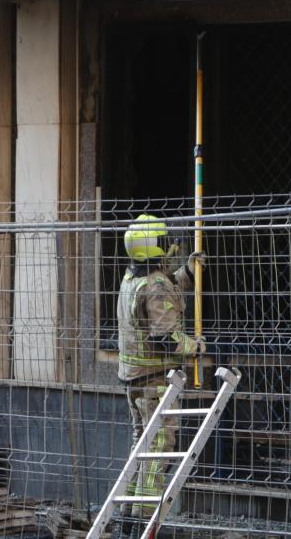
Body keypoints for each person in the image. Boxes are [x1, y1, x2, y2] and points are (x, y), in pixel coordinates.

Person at [116, 215, 204, 525]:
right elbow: (166, 335)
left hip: (135, 378)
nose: (171, 245)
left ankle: (128, 513)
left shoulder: (133, 278)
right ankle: (144, 516)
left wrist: (187, 274)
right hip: (155, 381)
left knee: (142, 444)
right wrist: (195, 347)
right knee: (159, 447)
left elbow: (162, 291)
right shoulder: (153, 285)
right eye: (165, 241)